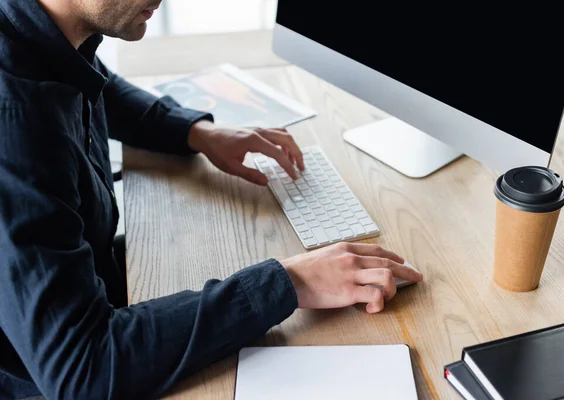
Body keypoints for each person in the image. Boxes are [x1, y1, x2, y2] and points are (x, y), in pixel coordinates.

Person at [0, 0, 423, 398]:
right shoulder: (14, 125)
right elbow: (82, 368)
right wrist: (291, 282)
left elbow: (92, 83)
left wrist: (194, 132)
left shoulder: (49, 30)